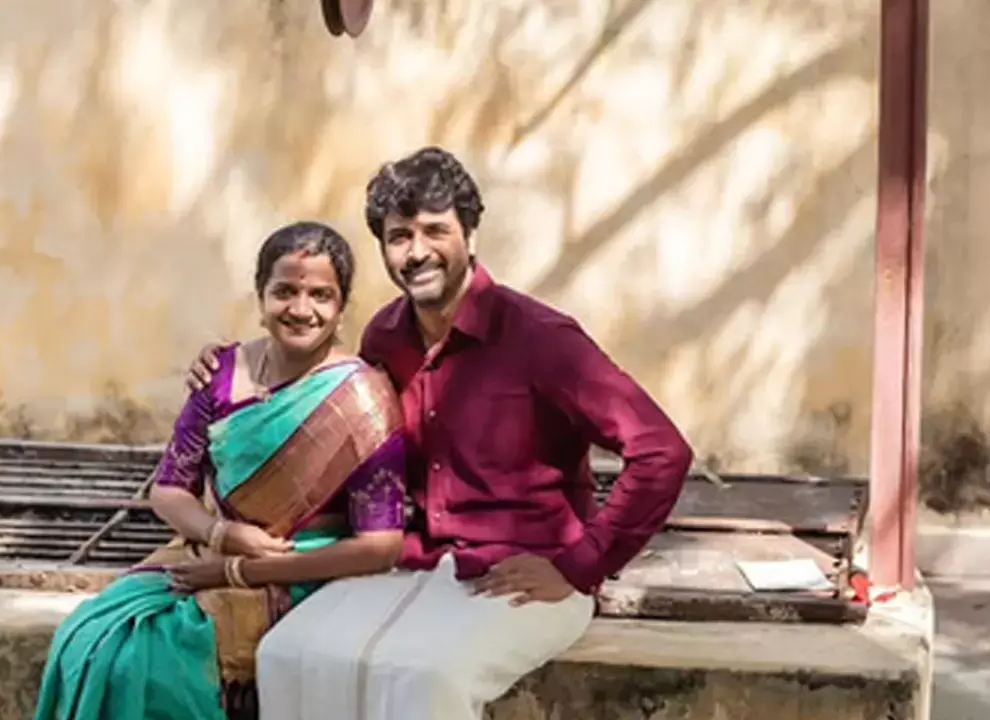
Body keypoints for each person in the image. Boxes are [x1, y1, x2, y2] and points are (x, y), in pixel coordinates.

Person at [184, 147, 694, 719]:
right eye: (399, 236)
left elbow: (661, 451)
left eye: (434, 230)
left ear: (470, 233)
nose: (417, 250)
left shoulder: (541, 338)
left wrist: (582, 563)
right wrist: (228, 368)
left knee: (426, 680)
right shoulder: (385, 338)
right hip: (413, 561)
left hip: (528, 573)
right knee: (286, 652)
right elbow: (310, 388)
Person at [32, 221, 408, 720]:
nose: (302, 309)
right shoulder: (222, 374)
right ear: (260, 297)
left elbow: (381, 546)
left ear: (341, 307)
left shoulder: (362, 400)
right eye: (285, 291)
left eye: (321, 294)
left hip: (304, 565)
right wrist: (225, 535)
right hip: (211, 546)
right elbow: (169, 490)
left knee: (163, 658)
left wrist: (240, 568)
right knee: (91, 635)